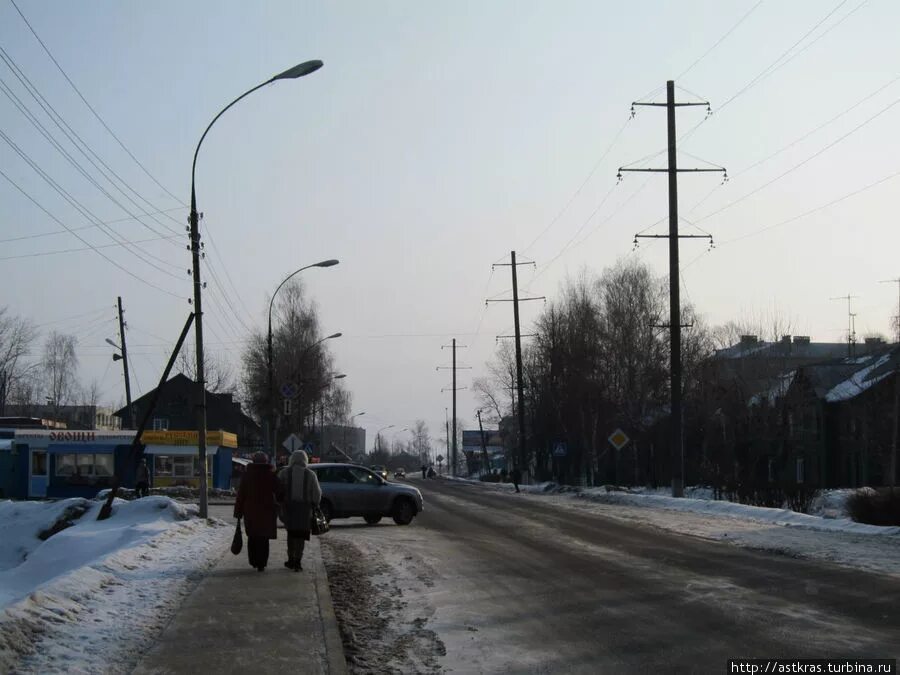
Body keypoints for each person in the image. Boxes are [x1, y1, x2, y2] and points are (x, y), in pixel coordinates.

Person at [234, 452, 281, 572]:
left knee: (253, 536)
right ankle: (262, 563)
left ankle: (254, 561)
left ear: (253, 462)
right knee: (264, 539)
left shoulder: (247, 475)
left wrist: (238, 512)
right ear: (266, 462)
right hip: (267, 511)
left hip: (250, 512)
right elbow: (280, 491)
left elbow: (241, 495)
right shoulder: (270, 475)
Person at [277, 450, 321, 572]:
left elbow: (278, 490)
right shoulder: (311, 474)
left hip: (289, 508)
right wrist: (315, 504)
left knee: (291, 534)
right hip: (304, 510)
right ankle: (298, 560)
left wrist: (280, 505)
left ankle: (290, 559)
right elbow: (317, 494)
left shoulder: (284, 473)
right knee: (301, 536)